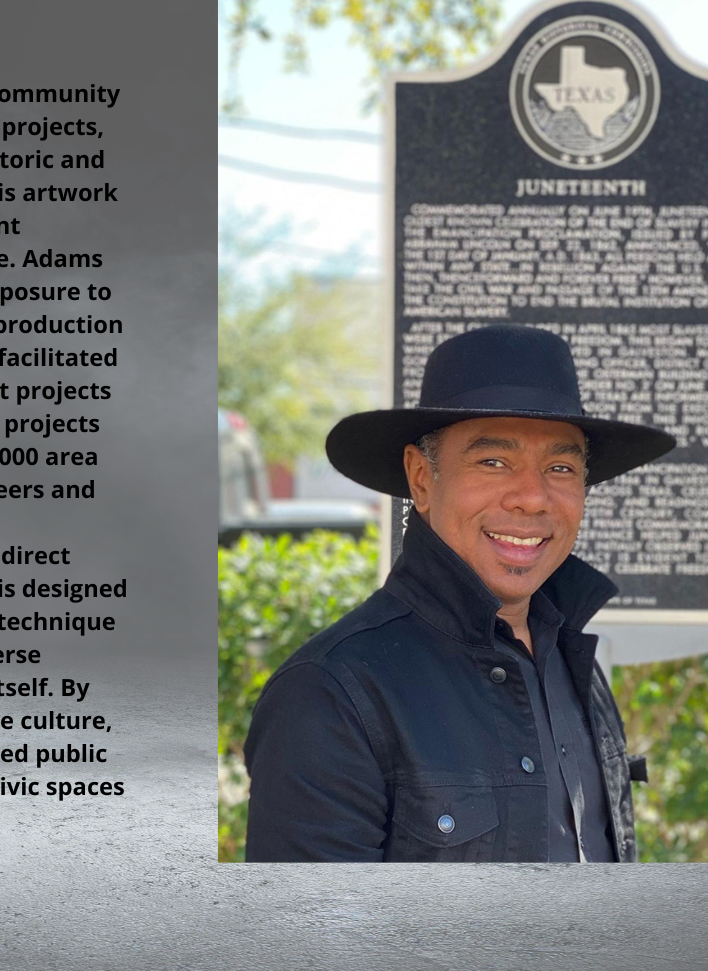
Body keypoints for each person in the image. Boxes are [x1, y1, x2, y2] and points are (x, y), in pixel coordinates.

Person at [242, 323, 675, 862]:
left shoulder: (570, 657)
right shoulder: (332, 693)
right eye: (493, 462)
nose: (533, 498)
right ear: (421, 479)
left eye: (560, 467)